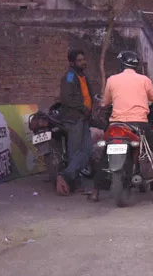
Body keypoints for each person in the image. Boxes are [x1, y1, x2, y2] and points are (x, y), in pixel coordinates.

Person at [90, 51, 153, 203]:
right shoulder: (144, 80)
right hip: (139, 124)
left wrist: (103, 104)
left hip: (117, 124)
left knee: (105, 156)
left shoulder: (112, 80)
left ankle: (95, 193)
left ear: (122, 64)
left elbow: (105, 101)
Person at [57, 49, 94, 196]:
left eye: (83, 59)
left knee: (88, 150)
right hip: (74, 118)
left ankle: (68, 175)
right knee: (76, 151)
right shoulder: (70, 76)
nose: (83, 62)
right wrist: (82, 107)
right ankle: (72, 181)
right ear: (72, 62)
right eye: (79, 60)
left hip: (83, 118)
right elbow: (66, 98)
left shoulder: (82, 76)